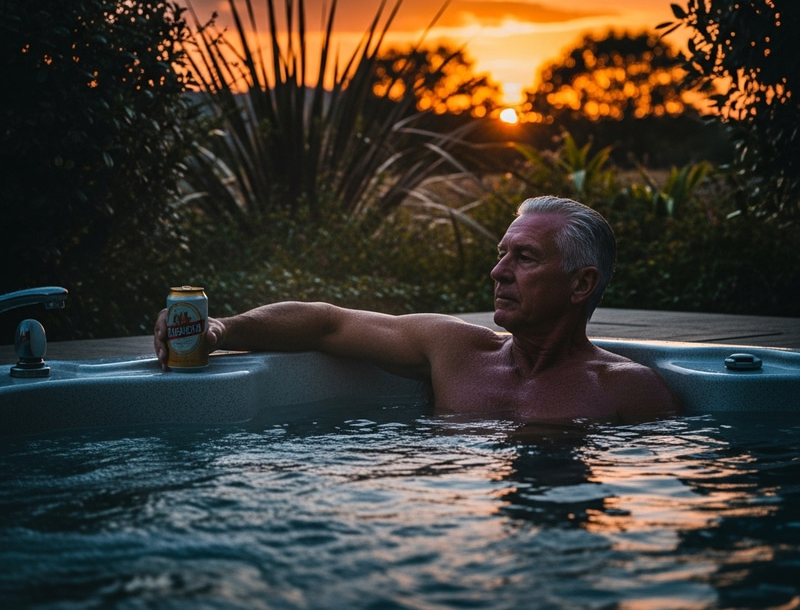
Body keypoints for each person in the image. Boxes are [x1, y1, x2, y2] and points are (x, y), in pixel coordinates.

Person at [153, 196, 680, 422]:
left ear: (581, 284)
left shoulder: (627, 390)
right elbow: (326, 322)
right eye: (501, 254)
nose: (498, 272)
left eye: (524, 258)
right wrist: (221, 327)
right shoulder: (455, 350)